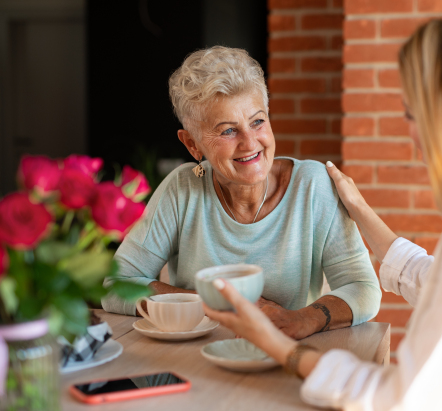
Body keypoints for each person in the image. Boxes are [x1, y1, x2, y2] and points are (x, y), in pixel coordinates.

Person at [204, 8, 442, 410]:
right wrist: (357, 206)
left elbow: (399, 399)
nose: (411, 133)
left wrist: (277, 346)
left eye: (412, 114)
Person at [101, 46, 381, 339]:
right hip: (192, 363)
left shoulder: (312, 185)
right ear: (192, 145)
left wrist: (304, 319)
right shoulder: (181, 189)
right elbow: (117, 285)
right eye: (228, 131)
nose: (250, 143)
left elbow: (363, 288)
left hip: (278, 360)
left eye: (257, 122)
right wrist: (219, 304)